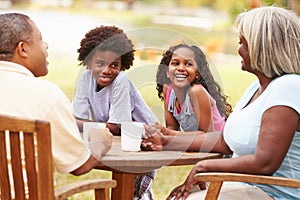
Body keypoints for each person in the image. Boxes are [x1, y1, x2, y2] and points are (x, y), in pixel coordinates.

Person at [142, 6, 300, 200]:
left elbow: (265, 163)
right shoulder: (256, 88)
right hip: (242, 185)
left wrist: (204, 166)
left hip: (276, 194)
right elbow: (224, 141)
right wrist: (166, 140)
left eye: (243, 43)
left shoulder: (289, 86)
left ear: (261, 46)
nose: (238, 49)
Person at [0, 13, 112, 176]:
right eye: (40, 39)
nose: (46, 46)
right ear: (23, 49)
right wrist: (100, 142)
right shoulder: (45, 95)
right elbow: (78, 166)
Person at [72, 25, 157, 200]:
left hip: (144, 146)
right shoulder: (85, 79)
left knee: (135, 194)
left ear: (123, 64)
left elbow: (117, 127)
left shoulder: (121, 80)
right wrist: (102, 127)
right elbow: (75, 120)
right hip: (119, 145)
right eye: (100, 63)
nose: (107, 70)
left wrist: (94, 126)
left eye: (114, 65)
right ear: (89, 62)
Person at [154, 43, 231, 136]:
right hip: (199, 144)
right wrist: (160, 134)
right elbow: (172, 128)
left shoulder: (196, 91)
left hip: (218, 143)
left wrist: (166, 133)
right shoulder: (168, 89)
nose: (181, 68)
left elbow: (207, 136)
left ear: (197, 73)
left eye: (188, 64)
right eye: (175, 63)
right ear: (167, 71)